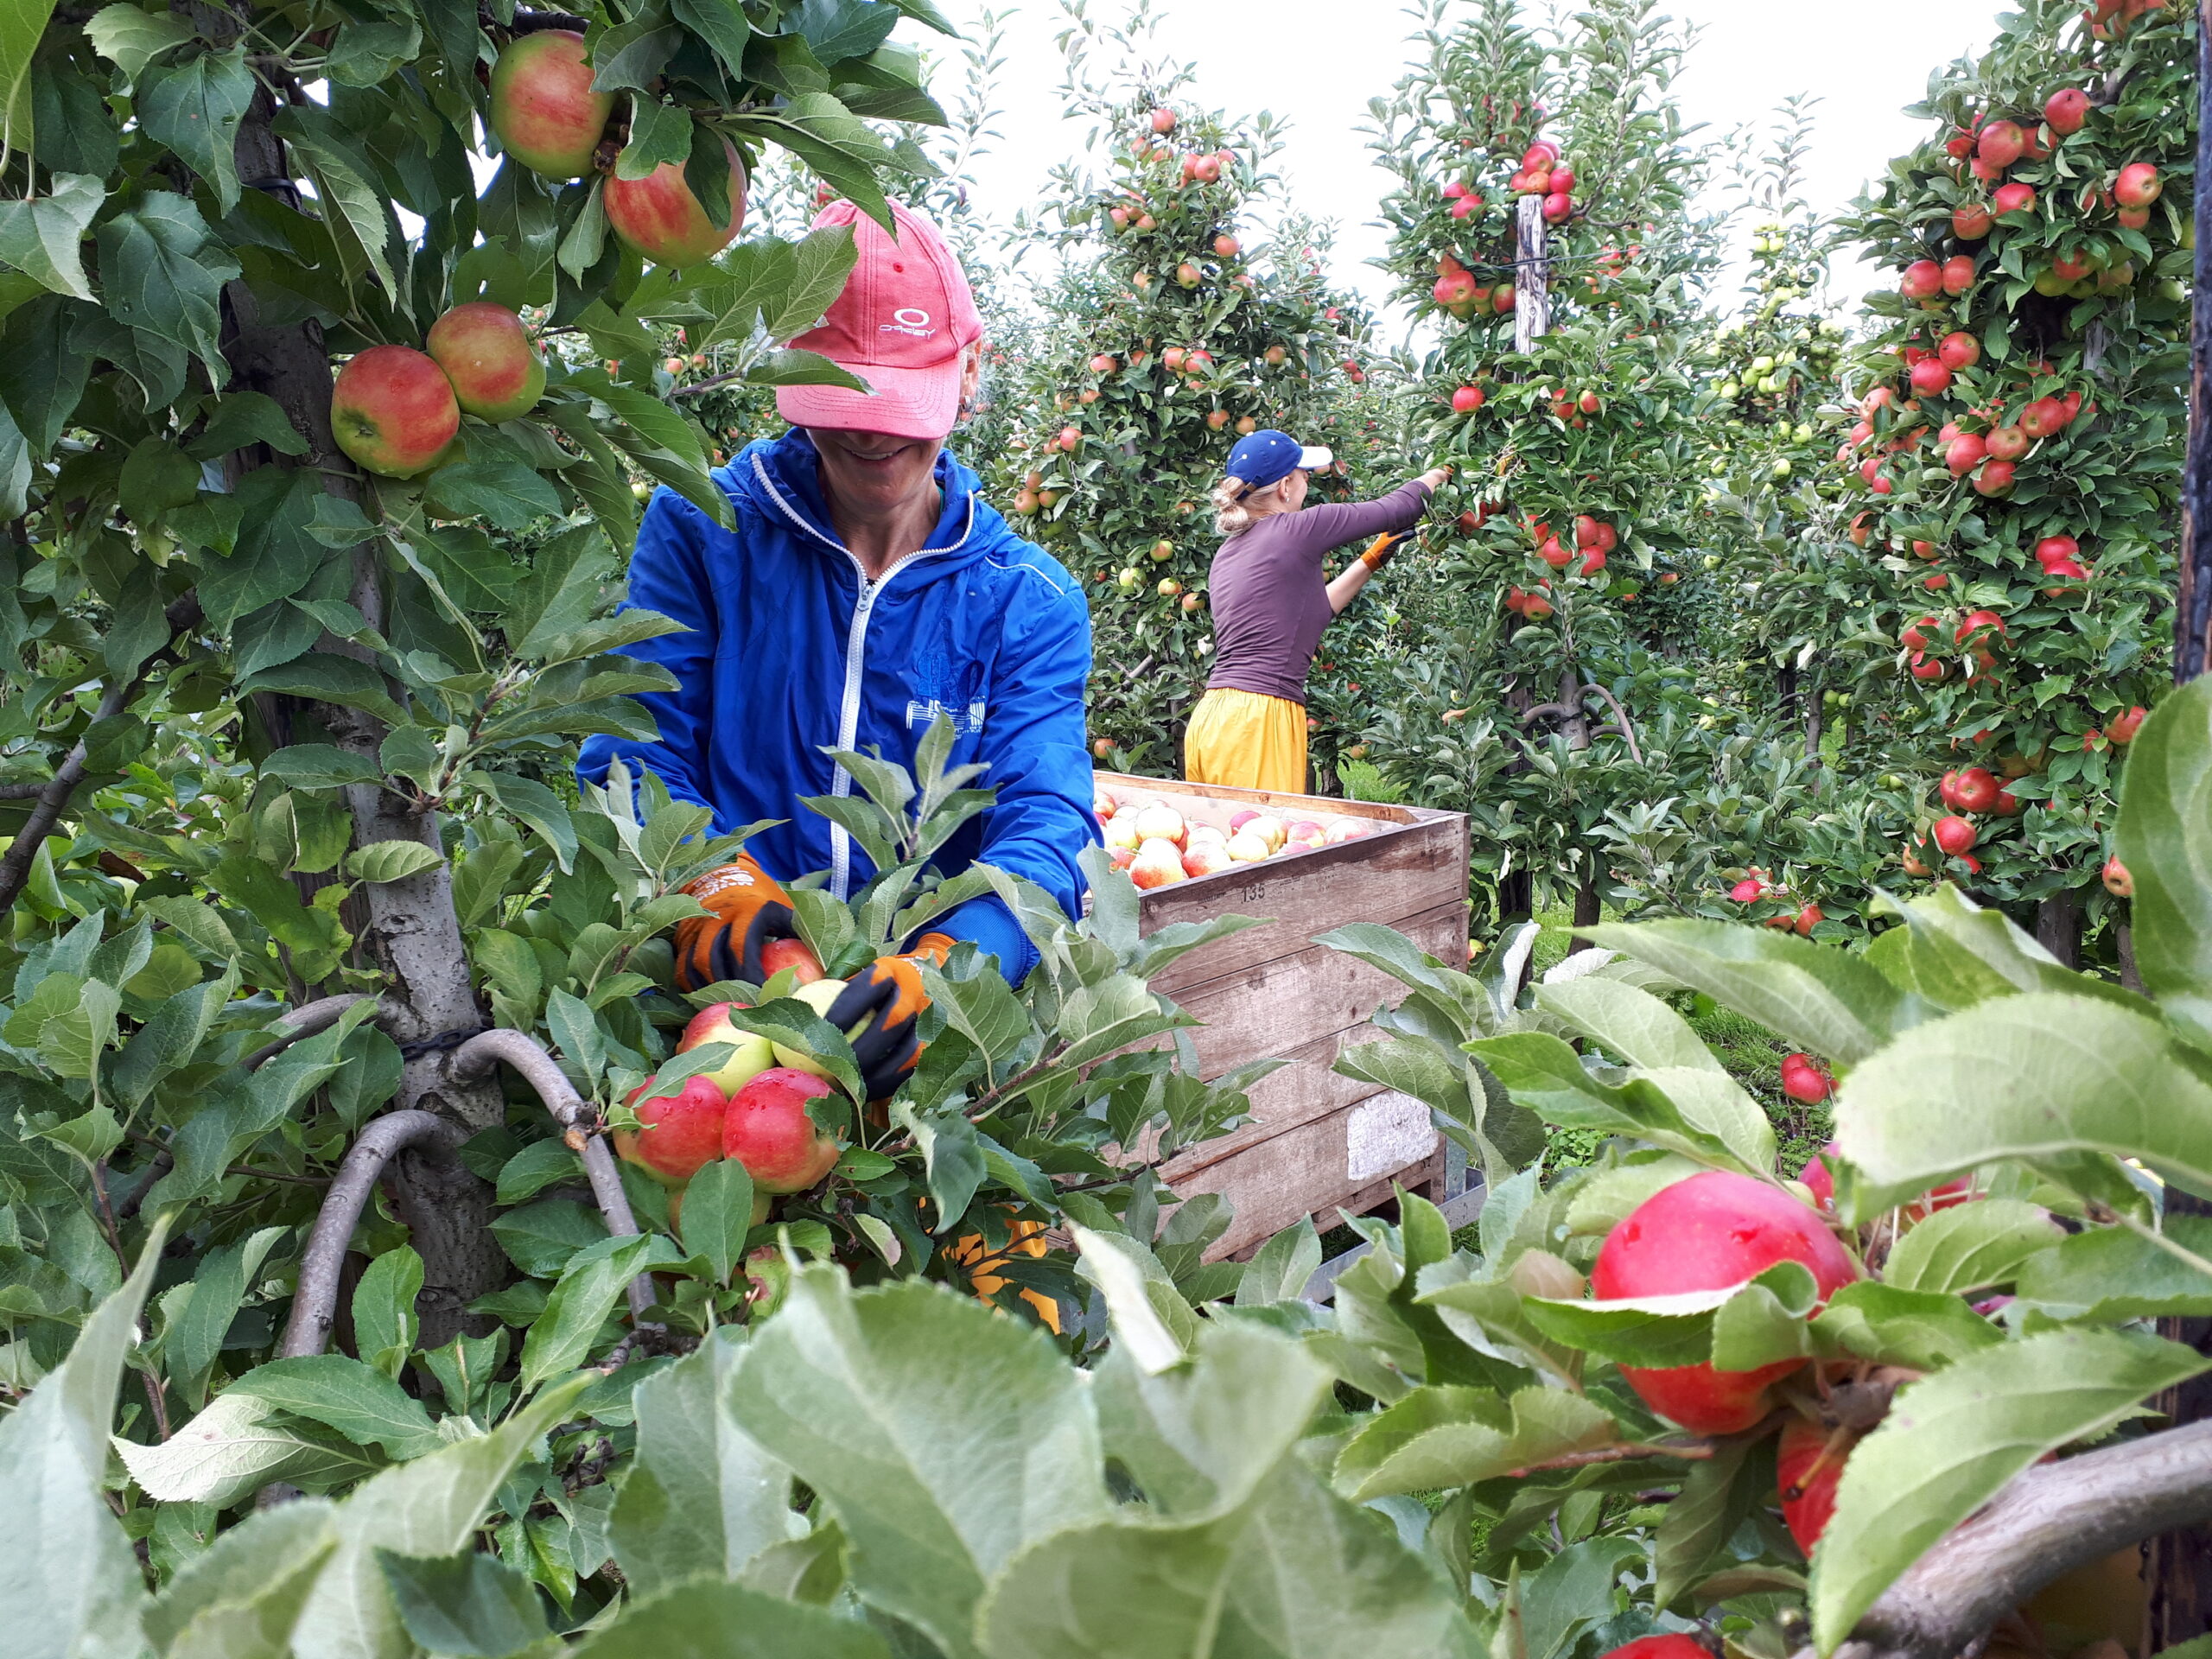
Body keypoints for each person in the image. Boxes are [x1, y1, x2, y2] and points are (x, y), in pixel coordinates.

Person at [578, 198, 1096, 1099]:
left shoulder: (1027, 600)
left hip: (938, 1054)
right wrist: (713, 883)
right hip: (723, 1016)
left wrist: (954, 967)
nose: (869, 429)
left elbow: (1048, 822)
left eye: (902, 399)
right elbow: (634, 746)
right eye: (838, 396)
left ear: (969, 374)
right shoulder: (705, 528)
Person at [1183, 430, 1450, 794]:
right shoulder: (1299, 529)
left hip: (1214, 719)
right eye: (1302, 472)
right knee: (1267, 845)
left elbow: (1309, 615)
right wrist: (1441, 473)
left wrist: (1371, 559)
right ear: (1284, 487)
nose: (1308, 478)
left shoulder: (1228, 553)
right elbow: (1400, 507)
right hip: (1258, 722)